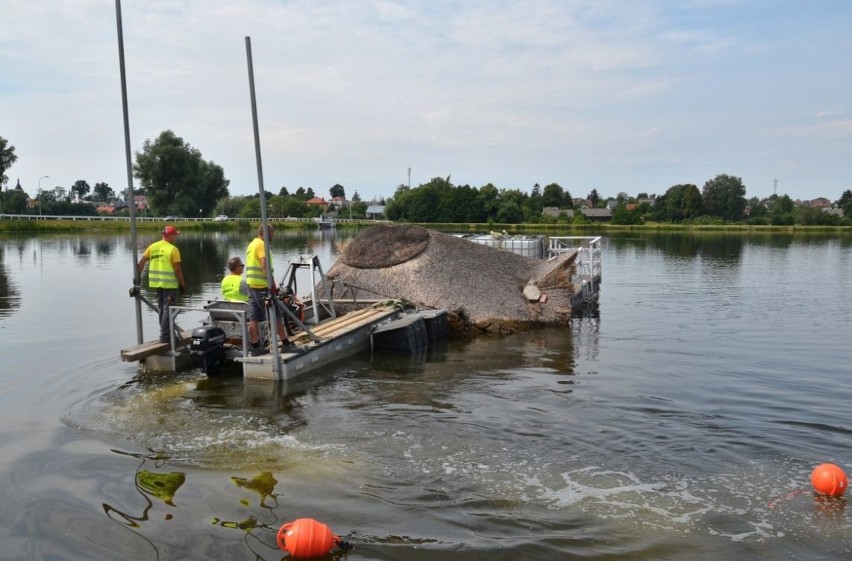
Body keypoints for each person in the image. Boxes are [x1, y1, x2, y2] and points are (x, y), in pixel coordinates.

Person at [245, 224, 291, 353]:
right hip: (262, 285)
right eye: (272, 232)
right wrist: (271, 283)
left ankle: (255, 346)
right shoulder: (261, 245)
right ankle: (286, 344)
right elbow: (264, 264)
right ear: (266, 232)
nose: (273, 235)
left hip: (251, 285)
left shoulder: (252, 244)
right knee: (275, 314)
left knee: (253, 317)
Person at [137, 225, 187, 343]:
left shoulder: (152, 247)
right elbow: (177, 269)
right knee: (168, 310)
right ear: (169, 235)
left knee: (162, 309)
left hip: (156, 283)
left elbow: (142, 262)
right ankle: (165, 336)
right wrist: (183, 284)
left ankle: (166, 334)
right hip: (169, 284)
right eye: (175, 235)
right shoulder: (173, 249)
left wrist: (137, 278)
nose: (176, 237)